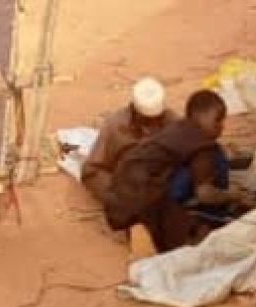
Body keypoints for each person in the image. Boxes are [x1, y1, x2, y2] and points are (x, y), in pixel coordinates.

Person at [103, 89, 241, 253]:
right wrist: (234, 195)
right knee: (196, 237)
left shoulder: (178, 127)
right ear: (200, 118)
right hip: (142, 197)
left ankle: (141, 224)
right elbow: (205, 194)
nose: (221, 127)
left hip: (119, 191)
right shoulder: (203, 145)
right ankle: (208, 216)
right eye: (218, 121)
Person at [82, 77, 181, 204]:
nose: (149, 129)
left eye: (156, 120)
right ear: (134, 112)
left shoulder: (173, 123)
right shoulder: (115, 127)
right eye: (146, 121)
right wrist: (117, 196)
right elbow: (91, 171)